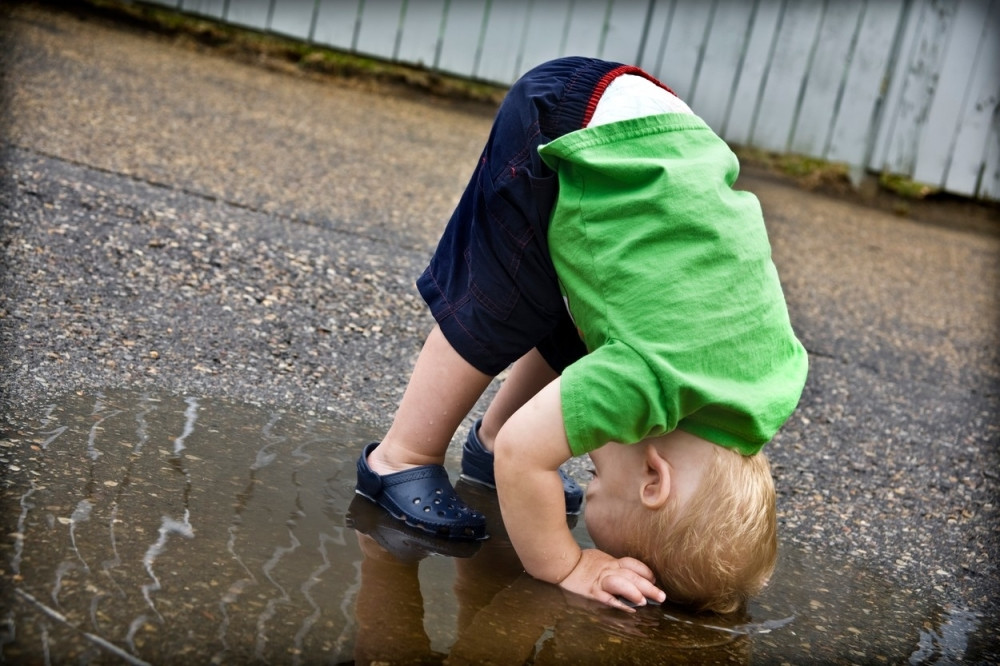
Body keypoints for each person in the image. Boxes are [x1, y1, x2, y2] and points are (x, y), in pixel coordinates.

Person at [354, 56, 808, 614]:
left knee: (581, 333)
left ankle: (486, 443)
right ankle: (400, 458)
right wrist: (568, 562)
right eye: (593, 475)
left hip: (666, 138)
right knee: (501, 305)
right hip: (569, 120)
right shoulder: (651, 380)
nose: (584, 463)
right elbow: (529, 455)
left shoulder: (772, 385)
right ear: (653, 481)